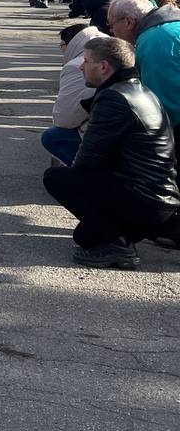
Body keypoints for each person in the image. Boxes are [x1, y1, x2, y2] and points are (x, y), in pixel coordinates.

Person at [42, 37, 180, 268]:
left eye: (86, 61)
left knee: (56, 178)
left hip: (145, 200)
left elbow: (88, 161)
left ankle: (117, 244)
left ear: (104, 66)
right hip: (160, 198)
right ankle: (155, 229)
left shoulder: (113, 97)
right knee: (84, 236)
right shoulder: (140, 89)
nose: (80, 66)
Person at [107, 0, 180, 132]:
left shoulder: (153, 42)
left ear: (129, 22)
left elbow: (166, 108)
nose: (111, 31)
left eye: (111, 25)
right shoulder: (172, 25)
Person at [42, 23, 104, 165]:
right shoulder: (114, 49)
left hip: (99, 135)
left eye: (62, 45)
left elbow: (64, 118)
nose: (61, 50)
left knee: (52, 137)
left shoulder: (76, 66)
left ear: (71, 44)